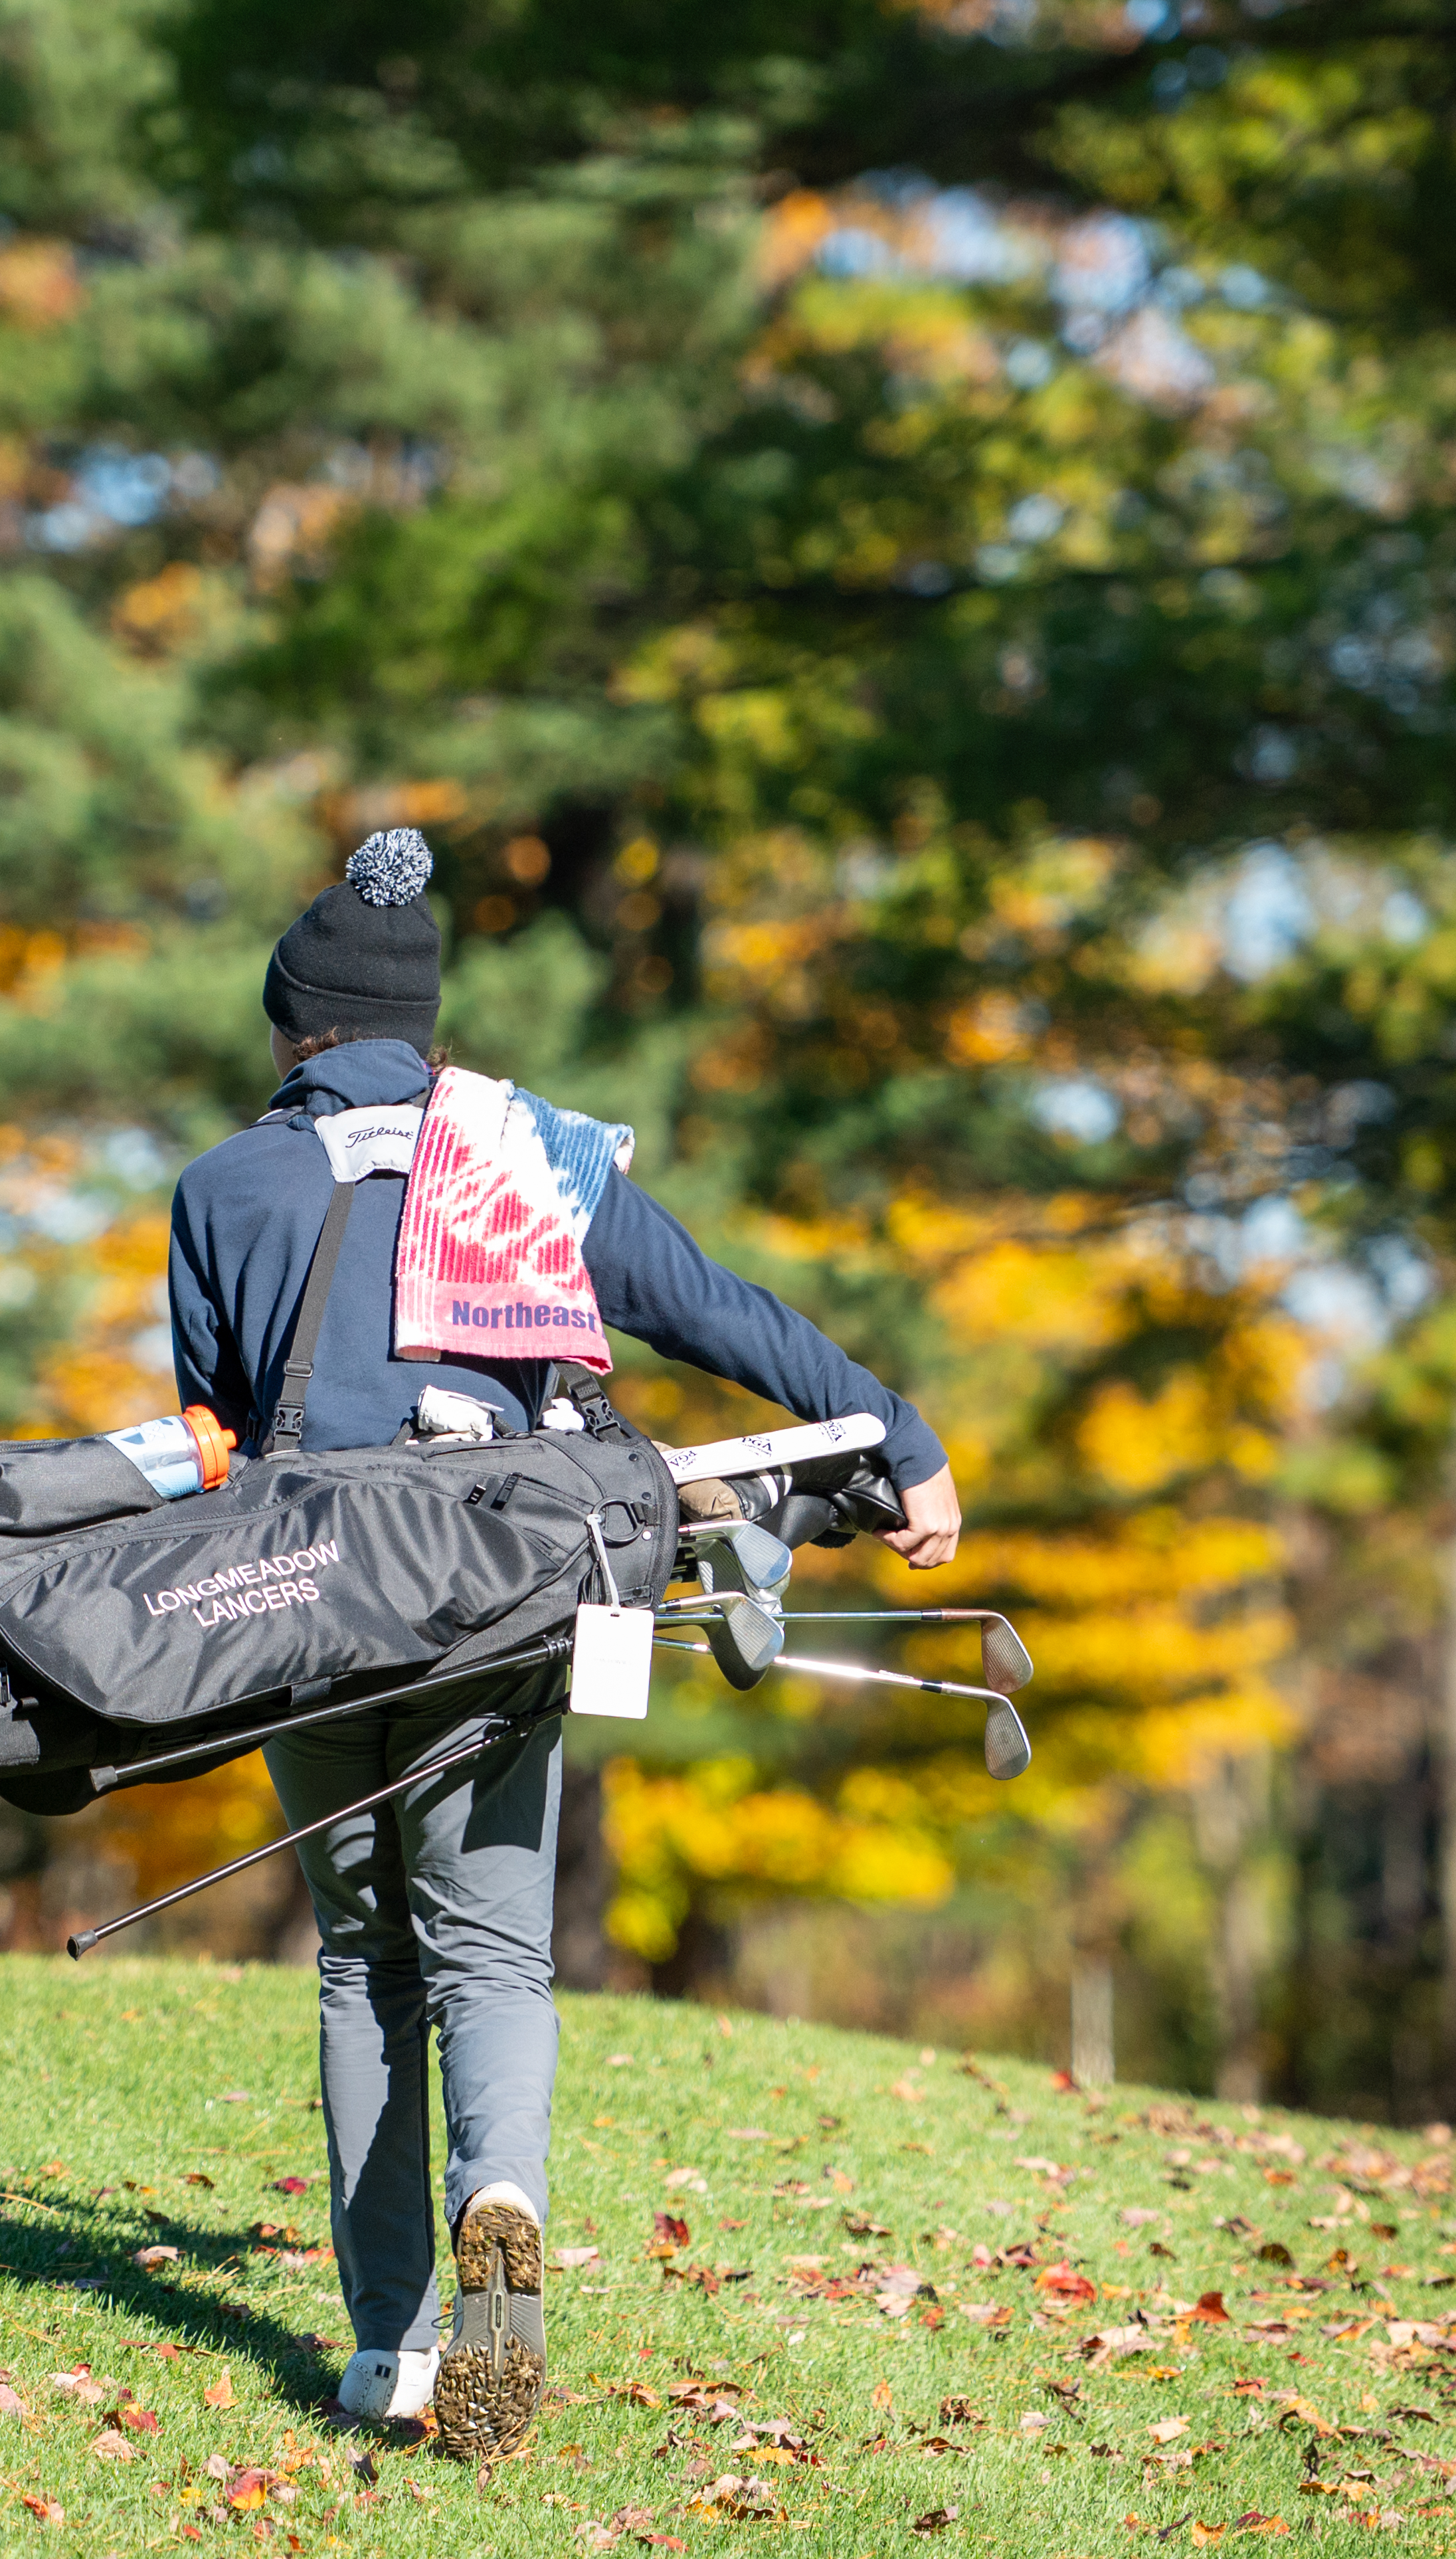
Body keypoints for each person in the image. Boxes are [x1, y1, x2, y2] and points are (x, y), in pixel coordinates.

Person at [165, 833, 962, 2458]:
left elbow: (210, 1438)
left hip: (306, 1601)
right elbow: (717, 1308)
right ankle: (504, 2195)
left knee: (359, 1957)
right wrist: (901, 1435)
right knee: (492, 1952)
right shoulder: (524, 1151)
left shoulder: (224, 1186)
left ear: (296, 1033)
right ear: (421, 1022)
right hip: (493, 1592)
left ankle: (385, 2344)